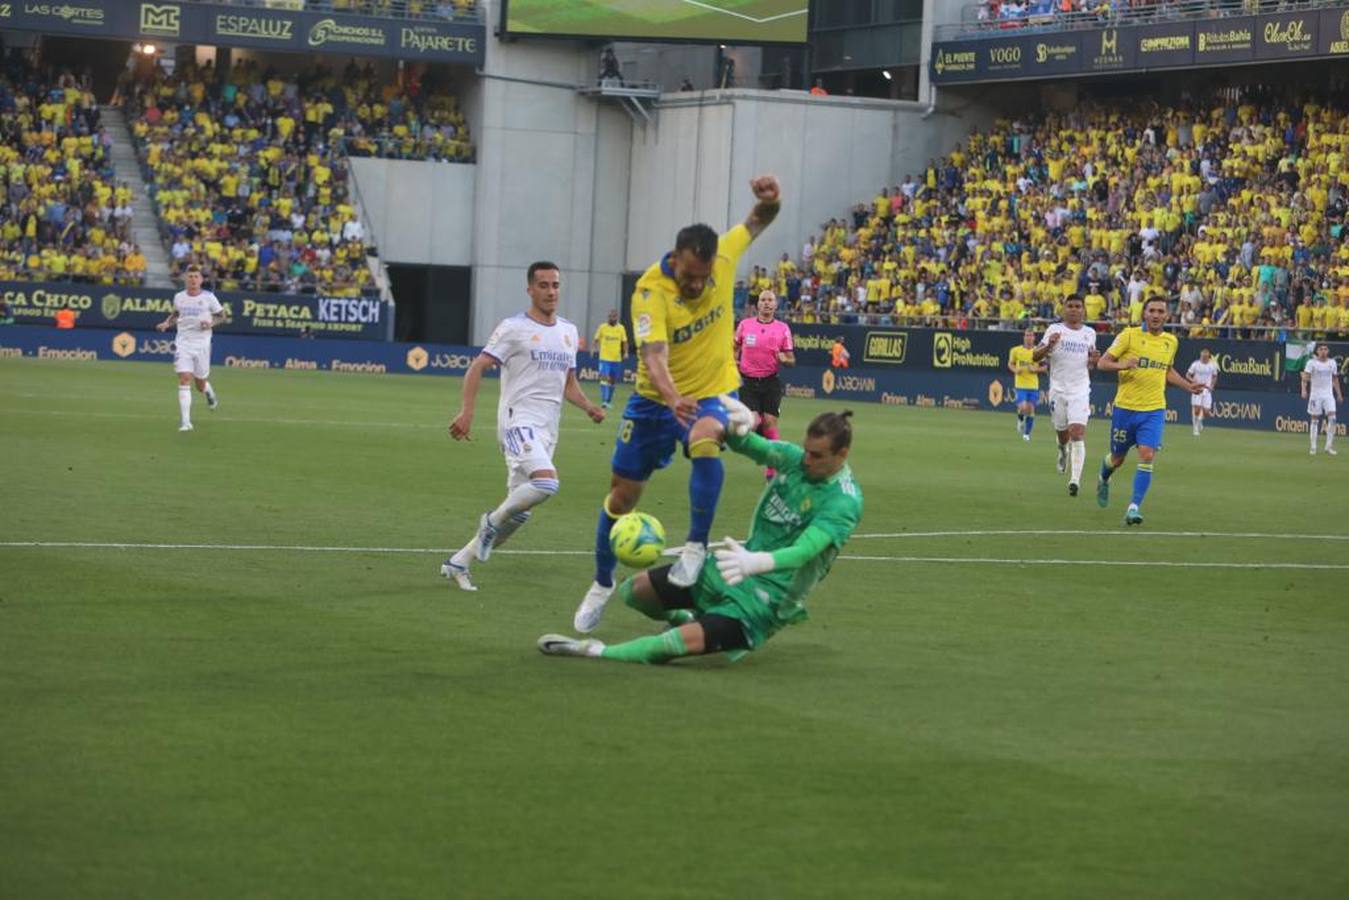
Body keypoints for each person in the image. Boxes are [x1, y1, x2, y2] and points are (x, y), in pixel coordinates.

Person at [573, 175, 782, 634]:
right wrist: (671, 397)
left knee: (706, 440)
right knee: (620, 498)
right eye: (688, 275)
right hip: (653, 403)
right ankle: (602, 583)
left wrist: (771, 200)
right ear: (675, 257)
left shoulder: (723, 258)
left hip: (708, 393)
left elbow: (758, 220)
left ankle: (695, 546)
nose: (694, 284)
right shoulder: (650, 291)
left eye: (702, 278)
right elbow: (653, 354)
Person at [539, 408, 862, 665]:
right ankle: (686, 618)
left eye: (817, 456)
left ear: (842, 454)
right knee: (634, 592)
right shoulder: (794, 460)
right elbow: (751, 446)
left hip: (766, 601)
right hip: (729, 569)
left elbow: (806, 551)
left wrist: (757, 562)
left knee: (670, 647)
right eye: (807, 451)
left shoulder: (843, 502)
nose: (807, 460)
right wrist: (738, 424)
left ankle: (595, 651)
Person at [441, 262, 606, 590]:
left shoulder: (568, 332)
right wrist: (467, 411)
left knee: (518, 514)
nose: (551, 291)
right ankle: (488, 523)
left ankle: (459, 561)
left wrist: (588, 407)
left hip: (548, 430)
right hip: (518, 423)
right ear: (530, 289)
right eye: (543, 285)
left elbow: (567, 383)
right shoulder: (513, 328)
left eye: (555, 285)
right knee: (547, 485)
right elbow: (478, 367)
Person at [1095, 297, 1205, 525]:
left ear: (1166, 316)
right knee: (1117, 459)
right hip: (1125, 408)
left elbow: (1167, 371)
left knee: (1147, 455)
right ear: (1144, 314)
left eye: (1160, 311)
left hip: (1154, 409)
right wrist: (1121, 365)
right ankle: (1103, 478)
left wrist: (1188, 386)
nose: (1156, 315)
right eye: (1152, 310)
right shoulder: (1128, 335)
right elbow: (1102, 363)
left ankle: (1133, 508)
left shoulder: (1170, 341)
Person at [1033, 294, 1099, 495]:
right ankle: (1062, 450)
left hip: (1080, 390)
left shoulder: (1089, 333)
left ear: (1083, 310)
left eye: (1078, 306)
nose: (1074, 309)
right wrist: (1049, 345)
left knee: (1077, 433)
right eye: (1070, 306)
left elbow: (1090, 365)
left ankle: (1075, 480)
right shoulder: (1055, 330)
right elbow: (1035, 356)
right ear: (1063, 309)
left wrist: (1094, 361)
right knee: (1062, 434)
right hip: (1058, 390)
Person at [734, 289, 795, 480]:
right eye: (763, 300)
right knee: (754, 422)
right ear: (757, 305)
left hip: (771, 381)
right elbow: (734, 348)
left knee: (769, 422)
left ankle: (772, 466)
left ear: (776, 305)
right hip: (748, 381)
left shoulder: (782, 328)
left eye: (770, 300)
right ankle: (770, 451)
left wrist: (784, 358)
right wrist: (733, 363)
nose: (767, 303)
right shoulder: (745, 325)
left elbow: (791, 359)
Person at [155, 265, 223, 432]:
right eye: (190, 276)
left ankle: (208, 392)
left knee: (200, 384)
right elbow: (176, 314)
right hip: (183, 343)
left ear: (201, 280)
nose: (193, 279)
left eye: (196, 276)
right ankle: (186, 422)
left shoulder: (209, 297)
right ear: (186, 278)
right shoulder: (179, 297)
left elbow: (222, 316)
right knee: (185, 378)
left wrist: (211, 324)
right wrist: (166, 323)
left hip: (202, 345)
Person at [1302, 342, 1342, 456]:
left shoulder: (1332, 363)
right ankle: (1313, 446)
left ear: (1328, 351)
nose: (1323, 351)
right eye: (1321, 349)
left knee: (1333, 418)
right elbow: (1305, 377)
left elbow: (1335, 379)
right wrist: (1304, 390)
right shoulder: (1311, 363)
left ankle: (1328, 446)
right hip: (1315, 395)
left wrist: (1339, 394)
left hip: (1328, 394)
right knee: (1314, 419)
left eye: (1325, 349)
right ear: (1317, 351)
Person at [1007, 328, 1044, 441]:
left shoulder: (1038, 351)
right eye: (1027, 335)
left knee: (1031, 409)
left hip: (1033, 385)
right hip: (1020, 384)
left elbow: (1045, 367)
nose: (1028, 338)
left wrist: (1035, 369)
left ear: (1034, 338)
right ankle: (1020, 418)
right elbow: (1010, 364)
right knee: (1023, 407)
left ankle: (1026, 434)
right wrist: (1015, 370)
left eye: (1031, 335)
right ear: (1024, 337)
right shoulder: (1016, 350)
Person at [592, 309, 628, 409]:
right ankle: (604, 401)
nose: (611, 318)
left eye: (613, 317)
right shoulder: (602, 327)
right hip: (604, 358)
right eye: (610, 317)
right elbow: (596, 339)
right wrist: (593, 349)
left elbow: (624, 342)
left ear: (617, 318)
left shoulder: (621, 328)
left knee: (612, 381)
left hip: (616, 359)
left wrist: (625, 352)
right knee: (604, 379)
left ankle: (608, 401)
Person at [1185, 348, 1219, 437]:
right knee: (1196, 410)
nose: (1203, 358)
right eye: (1202, 356)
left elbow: (1215, 376)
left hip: (1207, 391)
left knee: (1207, 412)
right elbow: (1187, 375)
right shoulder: (1195, 364)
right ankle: (1195, 428)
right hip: (1197, 389)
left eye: (1205, 357)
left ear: (1208, 357)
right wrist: (1193, 381)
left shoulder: (1212, 365)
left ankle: (1200, 421)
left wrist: (1212, 386)